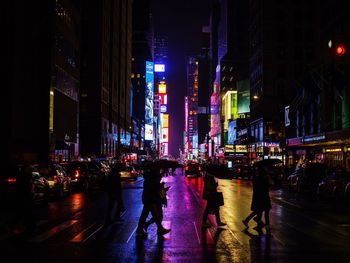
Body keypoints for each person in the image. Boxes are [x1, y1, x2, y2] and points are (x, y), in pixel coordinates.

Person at [136, 165, 171, 237]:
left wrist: (161, 187)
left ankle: (142, 228)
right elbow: (154, 190)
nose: (160, 178)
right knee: (156, 215)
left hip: (149, 199)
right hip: (151, 199)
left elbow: (154, 189)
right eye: (159, 177)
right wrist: (161, 188)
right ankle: (157, 228)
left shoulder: (150, 180)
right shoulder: (151, 180)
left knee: (147, 215)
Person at [242, 165, 272, 232]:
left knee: (259, 210)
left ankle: (252, 221)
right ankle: (266, 225)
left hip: (258, 196)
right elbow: (269, 185)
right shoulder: (265, 179)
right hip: (264, 196)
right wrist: (268, 178)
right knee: (265, 210)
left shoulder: (255, 178)